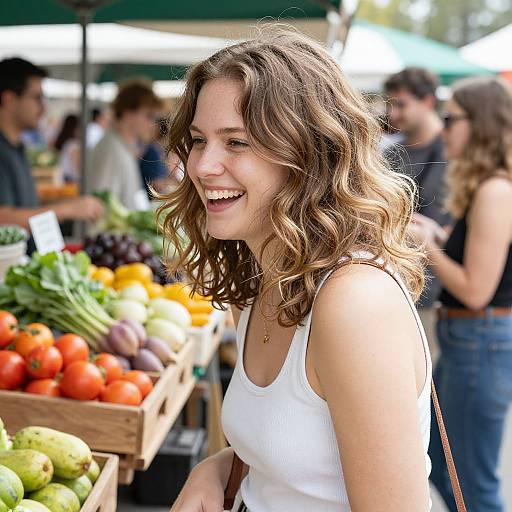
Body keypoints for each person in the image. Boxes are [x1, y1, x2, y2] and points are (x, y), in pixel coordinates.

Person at [161, 28, 433, 512]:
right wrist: (220, 466)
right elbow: (299, 452)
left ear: (309, 155)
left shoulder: (354, 301)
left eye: (237, 142)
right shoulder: (264, 277)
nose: (203, 166)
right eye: (199, 140)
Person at [409, 76, 512, 512]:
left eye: (453, 118)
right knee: (439, 457)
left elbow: (475, 289)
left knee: (472, 481)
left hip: (479, 341)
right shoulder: (488, 187)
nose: (445, 127)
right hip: (468, 343)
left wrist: (428, 248)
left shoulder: (494, 190)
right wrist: (435, 233)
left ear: (480, 124)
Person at [384, 68, 452, 359]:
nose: (392, 114)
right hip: (395, 288)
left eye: (400, 104)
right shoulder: (390, 153)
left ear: (426, 102)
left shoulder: (454, 152)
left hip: (437, 297)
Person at [0, 57, 103, 228]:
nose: (43, 108)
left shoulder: (16, 147)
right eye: (37, 97)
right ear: (9, 99)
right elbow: (3, 218)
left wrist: (66, 202)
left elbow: (23, 205)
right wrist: (67, 209)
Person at [88, 82, 162, 210]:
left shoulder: (121, 147)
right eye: (149, 116)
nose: (153, 124)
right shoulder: (111, 150)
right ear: (128, 113)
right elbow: (101, 206)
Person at [54, 113, 80, 183]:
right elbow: (76, 169)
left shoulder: (67, 143)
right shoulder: (74, 144)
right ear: (75, 129)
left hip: (64, 179)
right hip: (72, 182)